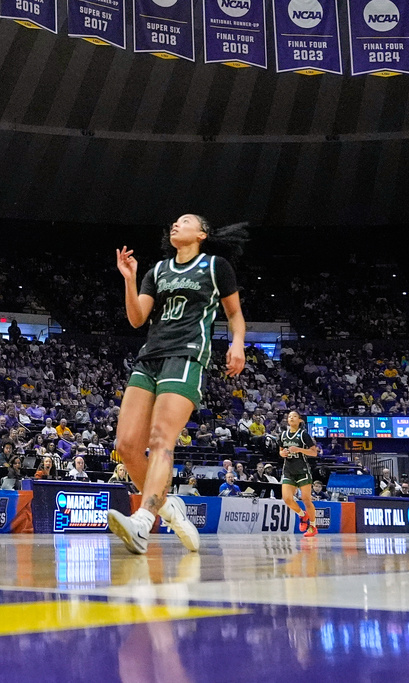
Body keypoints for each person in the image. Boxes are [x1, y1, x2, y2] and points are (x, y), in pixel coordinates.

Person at [107, 215, 247, 555]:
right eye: (173, 222)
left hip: (186, 356)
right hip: (150, 355)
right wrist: (130, 279)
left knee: (160, 440)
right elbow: (137, 318)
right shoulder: (157, 271)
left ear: (201, 234)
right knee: (125, 446)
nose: (174, 225)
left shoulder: (215, 266)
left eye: (184, 222)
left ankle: (143, 521)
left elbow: (234, 314)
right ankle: (167, 508)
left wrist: (238, 342)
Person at [278, 411, 319, 537]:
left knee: (306, 499)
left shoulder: (303, 435)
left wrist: (299, 450)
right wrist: (283, 454)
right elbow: (280, 451)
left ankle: (312, 526)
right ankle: (302, 515)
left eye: (294, 416)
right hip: (288, 470)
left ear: (300, 420)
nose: (291, 418)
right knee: (287, 499)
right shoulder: (283, 435)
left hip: (302, 470)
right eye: (289, 416)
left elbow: (314, 453)